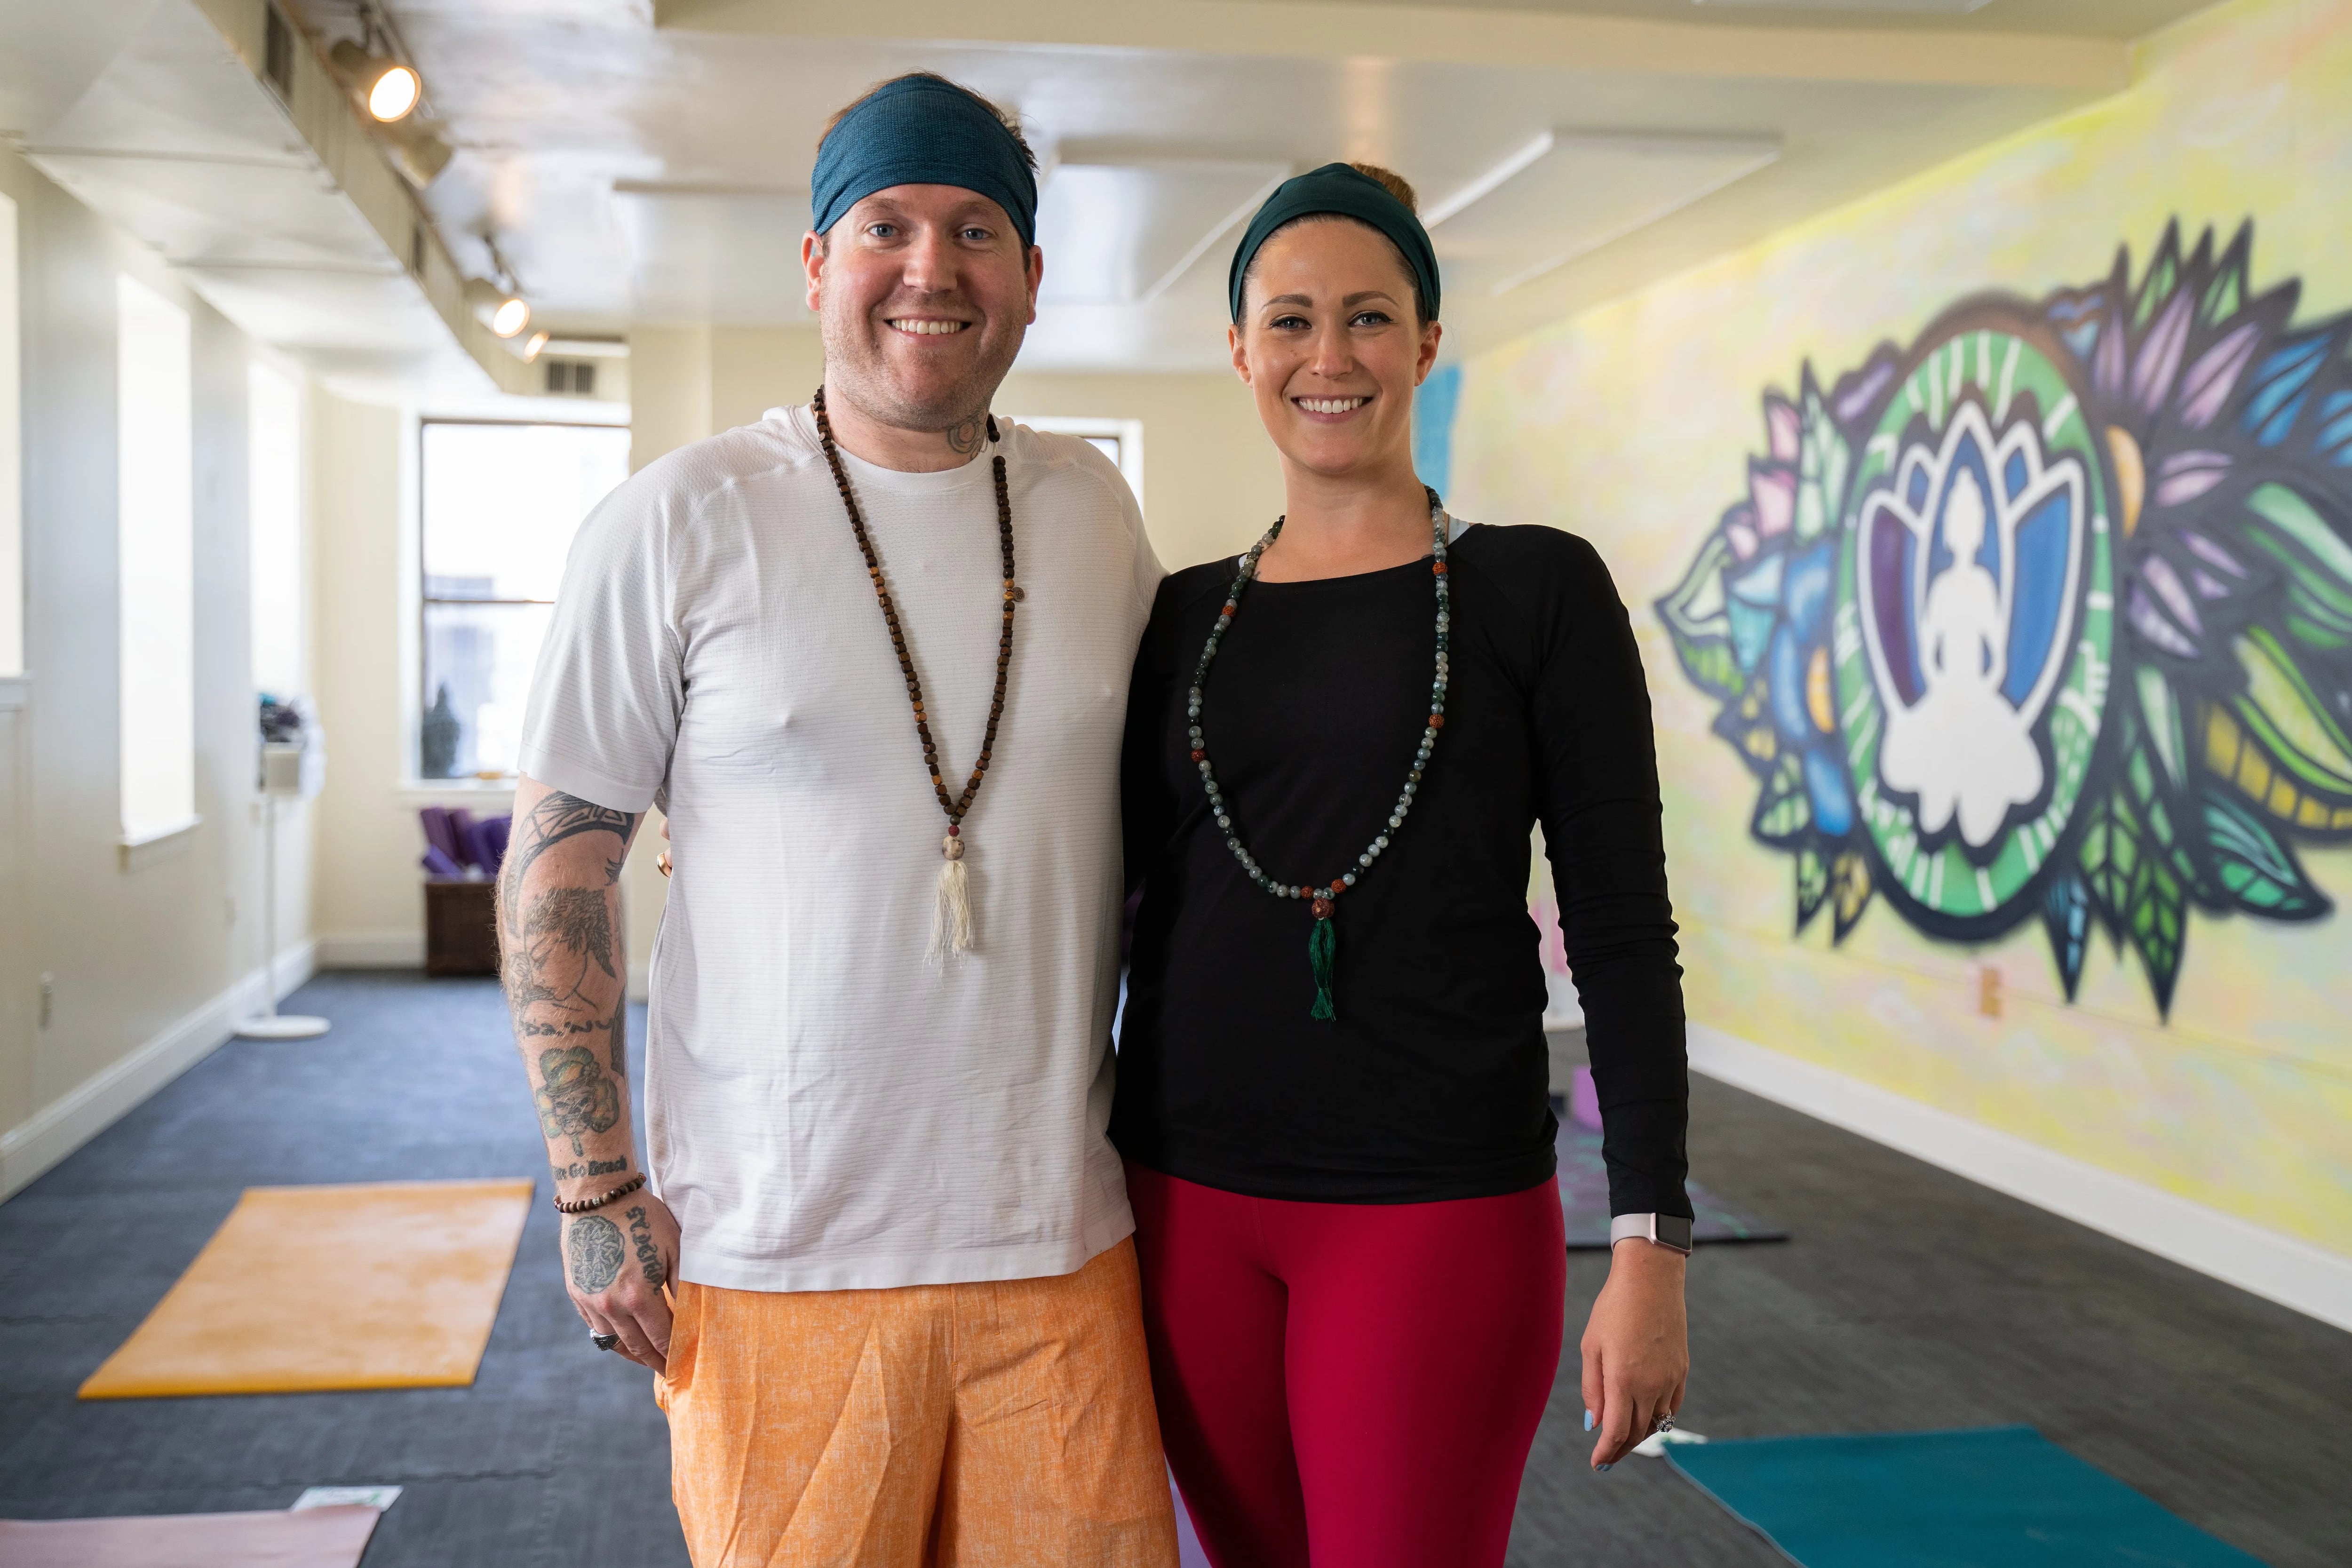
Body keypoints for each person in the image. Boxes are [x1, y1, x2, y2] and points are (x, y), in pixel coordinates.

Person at [499, 72, 1178, 1568]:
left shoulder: (1092, 512)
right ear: (816, 263)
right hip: (775, 1258)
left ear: (1031, 276)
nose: (933, 268)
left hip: (1060, 1246)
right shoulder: (681, 517)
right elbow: (563, 861)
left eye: (976, 230)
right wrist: (594, 1186)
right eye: (887, 226)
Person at [1112, 163, 1692, 1568]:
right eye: (1292, 320)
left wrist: (1650, 1241)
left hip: (1432, 1207)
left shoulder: (1536, 589)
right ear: (1241, 350)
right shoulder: (1180, 617)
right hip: (1183, 1205)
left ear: (1427, 343)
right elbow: (1111, 908)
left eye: (1368, 317)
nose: (1330, 356)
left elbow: (1621, 929)